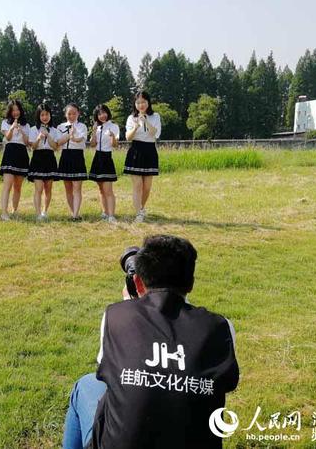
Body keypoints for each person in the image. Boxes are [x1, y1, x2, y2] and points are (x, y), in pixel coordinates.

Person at [63, 234, 239, 449]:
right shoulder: (221, 328)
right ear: (191, 283)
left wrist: (131, 305)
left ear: (138, 281)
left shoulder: (116, 316)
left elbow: (110, 376)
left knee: (86, 385)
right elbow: (225, 384)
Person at [124, 91, 162, 223]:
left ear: (148, 103)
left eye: (143, 102)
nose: (141, 105)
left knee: (147, 186)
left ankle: (141, 208)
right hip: (136, 150)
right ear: (135, 104)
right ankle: (139, 213)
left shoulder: (155, 116)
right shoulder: (131, 118)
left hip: (150, 150)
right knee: (137, 185)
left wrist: (145, 121)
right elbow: (128, 137)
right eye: (138, 102)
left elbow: (155, 134)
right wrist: (135, 127)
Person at [0, 99, 31, 221]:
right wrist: (12, 127)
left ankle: (14, 210)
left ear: (20, 111)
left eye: (17, 110)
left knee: (18, 186)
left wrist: (21, 130)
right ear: (10, 111)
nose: (15, 112)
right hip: (10, 153)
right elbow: (8, 137)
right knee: (7, 185)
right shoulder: (5, 123)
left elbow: (27, 142)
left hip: (21, 153)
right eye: (13, 110)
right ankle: (4, 212)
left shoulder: (26, 125)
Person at [28, 103, 60, 220]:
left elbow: (55, 147)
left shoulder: (54, 130)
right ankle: (38, 214)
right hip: (37, 158)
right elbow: (33, 147)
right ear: (38, 116)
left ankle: (44, 212)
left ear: (50, 115)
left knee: (48, 188)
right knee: (38, 188)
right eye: (42, 115)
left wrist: (48, 136)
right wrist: (38, 138)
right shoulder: (33, 129)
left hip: (50, 158)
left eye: (47, 114)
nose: (45, 117)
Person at [88, 104, 120, 223]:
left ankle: (111, 216)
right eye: (99, 114)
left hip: (107, 157)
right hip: (97, 158)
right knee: (101, 189)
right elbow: (92, 144)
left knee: (108, 190)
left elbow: (115, 145)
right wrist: (93, 131)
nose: (102, 116)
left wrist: (113, 137)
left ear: (108, 113)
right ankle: (105, 212)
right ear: (96, 116)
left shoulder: (114, 126)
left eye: (104, 112)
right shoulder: (97, 128)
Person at [57, 103, 88, 221]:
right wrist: (68, 135)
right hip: (65, 156)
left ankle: (75, 214)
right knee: (68, 188)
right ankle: (73, 212)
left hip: (77, 156)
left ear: (78, 113)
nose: (71, 116)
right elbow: (58, 142)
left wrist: (73, 136)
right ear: (65, 114)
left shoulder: (82, 126)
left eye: (74, 113)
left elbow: (80, 140)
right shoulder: (60, 126)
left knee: (77, 187)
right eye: (69, 113)